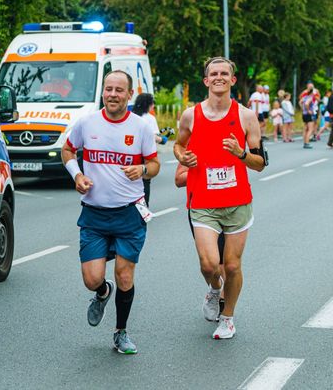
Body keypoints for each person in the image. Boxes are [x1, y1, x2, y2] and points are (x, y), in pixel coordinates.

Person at [61, 70, 160, 354]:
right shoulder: (87, 123)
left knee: (124, 275)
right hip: (94, 214)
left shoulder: (140, 127)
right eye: (108, 89)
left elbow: (154, 165)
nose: (113, 94)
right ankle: (103, 292)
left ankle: (121, 332)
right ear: (103, 91)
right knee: (91, 279)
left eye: (119, 90)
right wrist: (77, 175)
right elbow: (68, 150)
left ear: (129, 94)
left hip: (129, 213)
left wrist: (142, 169)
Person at [174, 56, 266, 339]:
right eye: (214, 74)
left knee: (233, 265)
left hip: (237, 202)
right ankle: (215, 289)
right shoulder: (190, 115)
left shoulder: (246, 116)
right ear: (206, 80)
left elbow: (260, 163)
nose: (219, 77)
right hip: (203, 202)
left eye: (224, 73)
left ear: (232, 80)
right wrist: (183, 158)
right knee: (209, 264)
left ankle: (228, 318)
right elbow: (178, 145)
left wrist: (241, 153)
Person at [175, 163, 227, 320]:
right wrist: (206, 173)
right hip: (201, 209)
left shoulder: (232, 147)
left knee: (225, 262)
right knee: (209, 265)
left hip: (230, 206)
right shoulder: (193, 148)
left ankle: (224, 307)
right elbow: (179, 179)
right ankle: (216, 288)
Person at [132, 93, 168, 206]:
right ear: (148, 104)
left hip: (131, 154)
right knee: (145, 181)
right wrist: (162, 140)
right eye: (152, 103)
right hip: (145, 155)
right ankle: (144, 206)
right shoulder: (149, 118)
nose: (153, 106)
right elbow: (152, 137)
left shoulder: (131, 116)